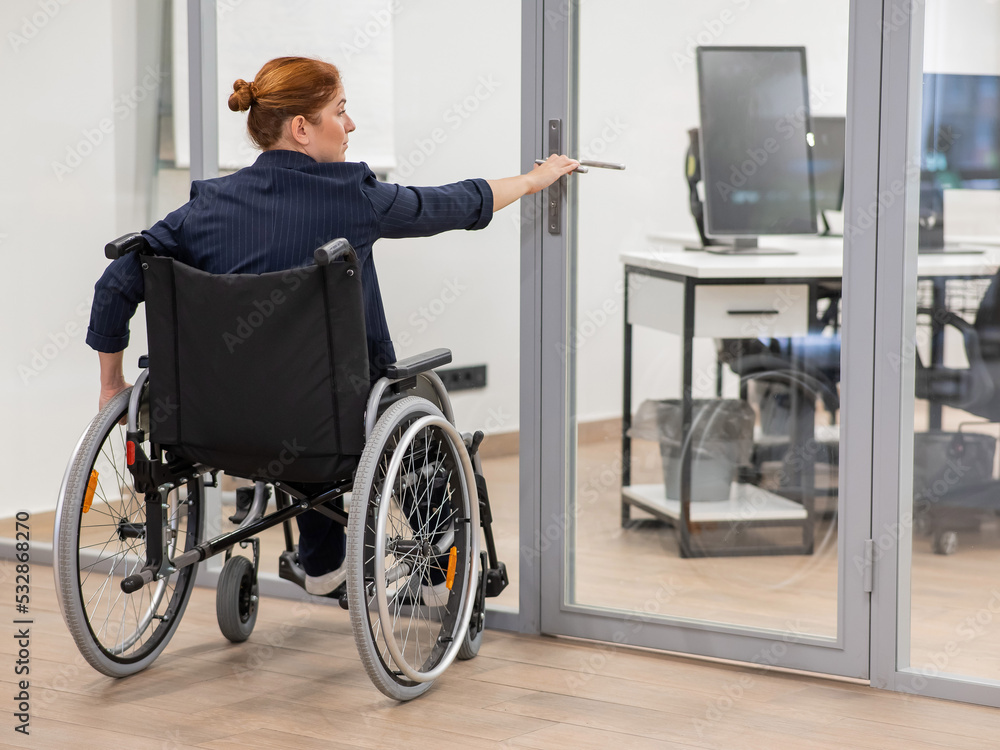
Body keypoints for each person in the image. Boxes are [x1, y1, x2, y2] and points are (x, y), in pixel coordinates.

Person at [87, 56, 578, 596]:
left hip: (214, 425)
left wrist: (113, 386)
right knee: (402, 405)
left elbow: (114, 285)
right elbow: (453, 203)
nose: (350, 126)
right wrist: (534, 180)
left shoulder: (205, 207)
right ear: (302, 128)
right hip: (328, 426)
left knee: (289, 399)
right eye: (340, 112)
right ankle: (439, 568)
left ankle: (322, 561)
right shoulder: (353, 198)